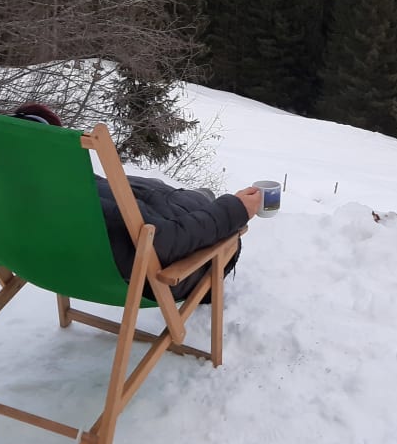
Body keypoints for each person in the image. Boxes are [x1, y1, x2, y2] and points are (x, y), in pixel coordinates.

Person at [13, 103, 261, 300]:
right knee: (228, 237)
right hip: (154, 277)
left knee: (189, 195)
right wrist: (236, 210)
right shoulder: (76, 203)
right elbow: (166, 242)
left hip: (147, 218)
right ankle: (204, 201)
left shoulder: (11, 201)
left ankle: (200, 198)